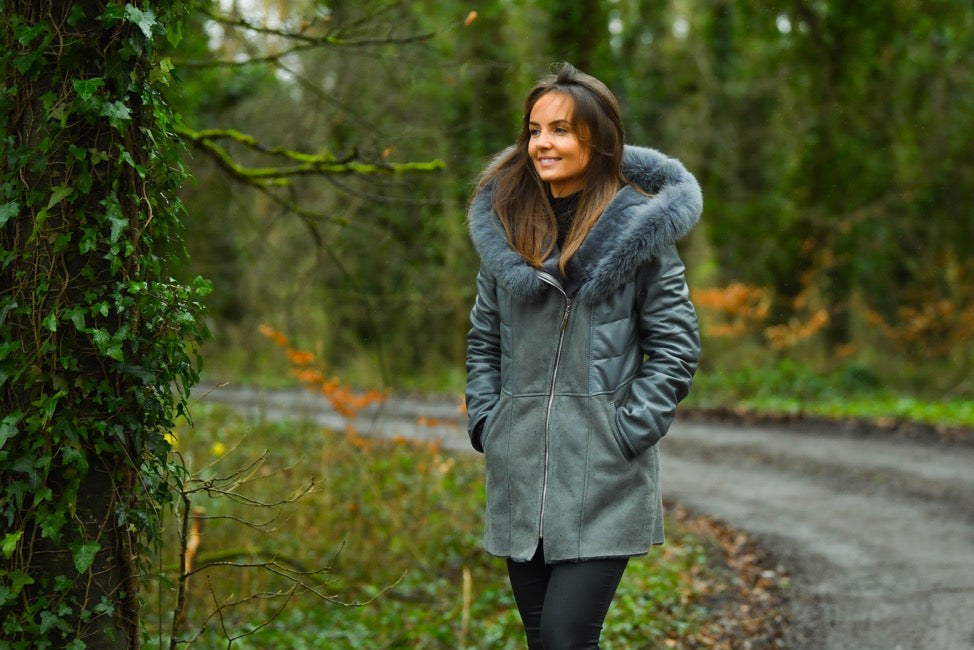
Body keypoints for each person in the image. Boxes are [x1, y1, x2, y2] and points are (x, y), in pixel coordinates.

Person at [464, 62, 703, 649]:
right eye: (534, 129)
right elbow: (482, 342)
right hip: (519, 473)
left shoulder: (641, 233)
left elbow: (675, 345)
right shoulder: (508, 230)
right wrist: (489, 423)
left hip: (604, 479)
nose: (542, 143)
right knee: (545, 642)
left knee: (568, 639)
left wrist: (625, 431)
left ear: (598, 141)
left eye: (561, 130)